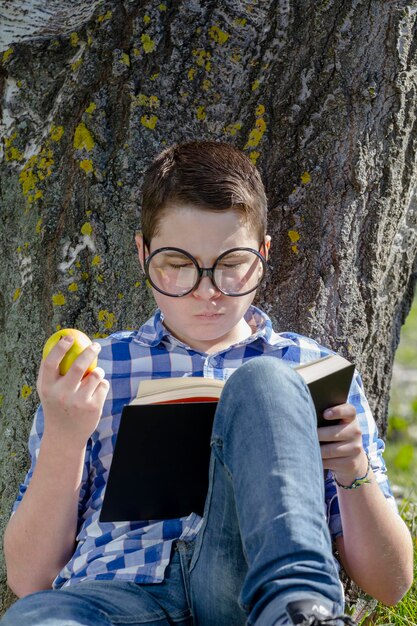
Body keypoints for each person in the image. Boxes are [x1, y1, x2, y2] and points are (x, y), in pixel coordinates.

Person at [1, 141, 413, 626]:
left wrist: (354, 469)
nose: (207, 291)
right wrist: (65, 436)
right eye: (177, 265)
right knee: (35, 618)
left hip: (247, 593)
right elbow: (30, 578)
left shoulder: (312, 367)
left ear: (262, 255)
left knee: (267, 382)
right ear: (143, 253)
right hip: (116, 596)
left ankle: (304, 610)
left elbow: (391, 583)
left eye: (231, 264)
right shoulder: (96, 369)